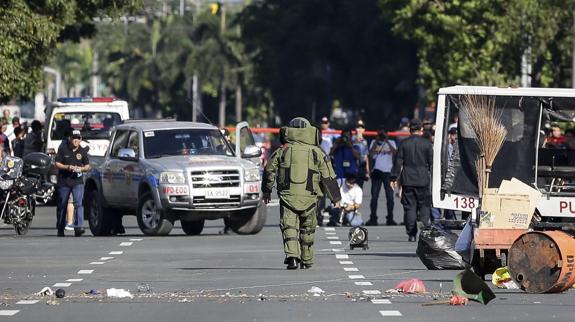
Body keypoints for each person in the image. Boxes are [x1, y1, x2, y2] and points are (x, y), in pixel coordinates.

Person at [262, 117, 341, 270]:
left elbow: (269, 170)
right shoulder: (317, 152)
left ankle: (292, 257)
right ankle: (306, 259)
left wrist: (267, 191)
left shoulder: (282, 150)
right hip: (310, 197)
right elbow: (328, 176)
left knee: (289, 226)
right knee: (308, 228)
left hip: (287, 196)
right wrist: (335, 198)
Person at [391, 119, 433, 242]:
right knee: (424, 205)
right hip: (423, 178)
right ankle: (424, 224)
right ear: (421, 130)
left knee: (409, 207)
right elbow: (432, 163)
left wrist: (394, 177)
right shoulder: (427, 144)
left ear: (409, 130)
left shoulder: (404, 144)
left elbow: (398, 161)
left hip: (408, 179)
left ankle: (411, 233)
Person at [55, 130, 90, 237]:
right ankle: (60, 227)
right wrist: (67, 167)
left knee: (78, 203)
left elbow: (88, 166)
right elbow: (57, 163)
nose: (76, 140)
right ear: (70, 138)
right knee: (62, 204)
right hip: (64, 181)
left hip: (77, 181)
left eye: (78, 138)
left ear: (80, 139)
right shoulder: (63, 148)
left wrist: (81, 168)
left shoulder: (82, 151)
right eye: (74, 138)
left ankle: (79, 227)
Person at [367, 129, 397, 226]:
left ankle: (390, 218)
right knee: (374, 197)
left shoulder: (391, 142)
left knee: (390, 198)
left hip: (388, 172)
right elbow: (371, 154)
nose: (382, 137)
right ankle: (373, 218)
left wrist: (387, 140)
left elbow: (395, 152)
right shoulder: (373, 142)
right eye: (381, 135)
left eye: (384, 135)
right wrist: (376, 141)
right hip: (377, 171)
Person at [353, 120, 370, 188]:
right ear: (355, 128)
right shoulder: (351, 138)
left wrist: (367, 170)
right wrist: (355, 141)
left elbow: (366, 157)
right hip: (353, 167)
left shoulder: (365, 141)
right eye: (358, 127)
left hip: (361, 168)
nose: (360, 129)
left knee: (360, 187)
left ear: (364, 129)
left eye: (362, 127)